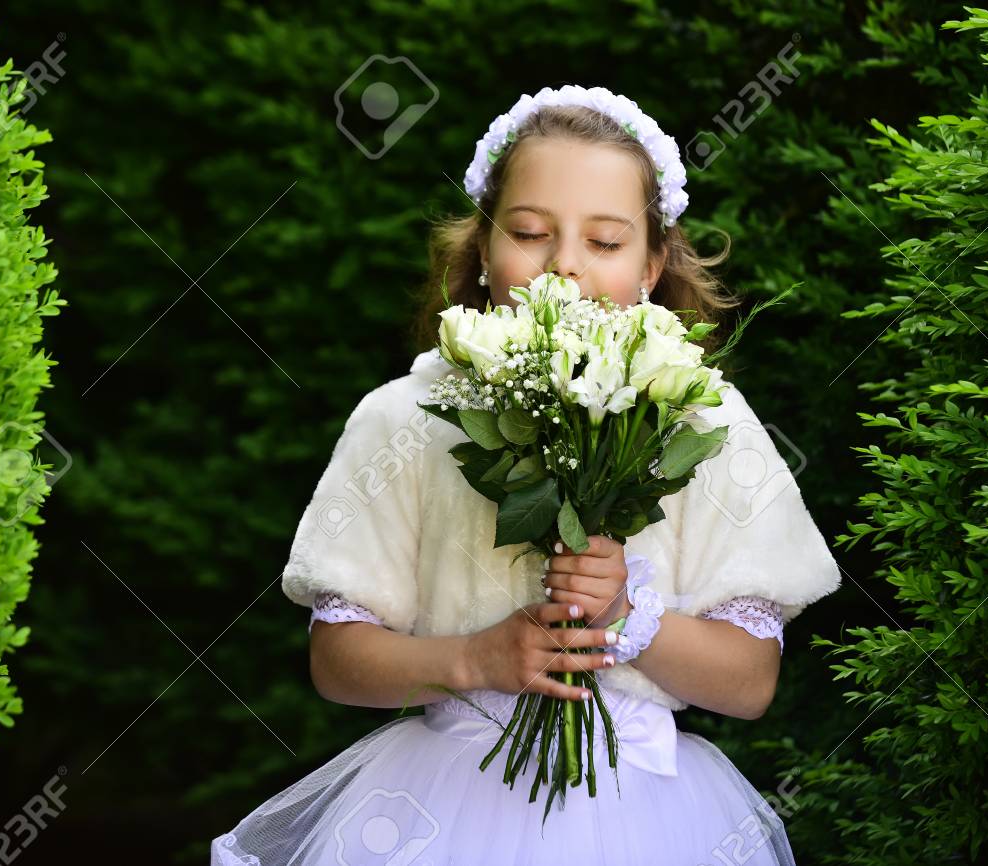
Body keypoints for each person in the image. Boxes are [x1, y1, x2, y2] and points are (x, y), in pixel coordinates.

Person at [212, 84, 841, 866]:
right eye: (530, 232)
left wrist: (627, 612)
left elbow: (748, 683)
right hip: (439, 812)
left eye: (604, 241)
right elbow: (338, 661)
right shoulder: (405, 417)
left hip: (647, 820)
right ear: (482, 249)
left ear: (652, 265)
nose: (564, 265)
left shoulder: (704, 421)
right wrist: (472, 661)